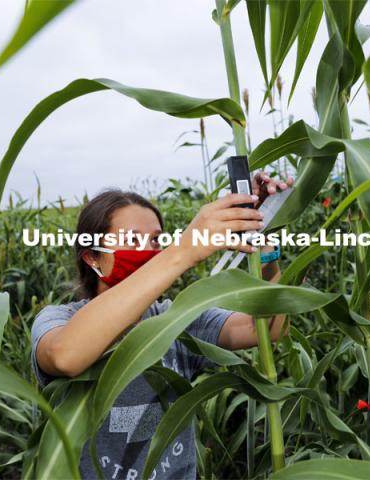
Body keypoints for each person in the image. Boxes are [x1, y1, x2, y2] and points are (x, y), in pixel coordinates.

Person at [31, 172, 293, 480]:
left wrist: (262, 231)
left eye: (156, 240)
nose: (149, 251)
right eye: (132, 240)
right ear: (92, 258)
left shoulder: (177, 318)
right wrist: (181, 252)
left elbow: (266, 328)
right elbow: (66, 355)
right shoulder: (58, 320)